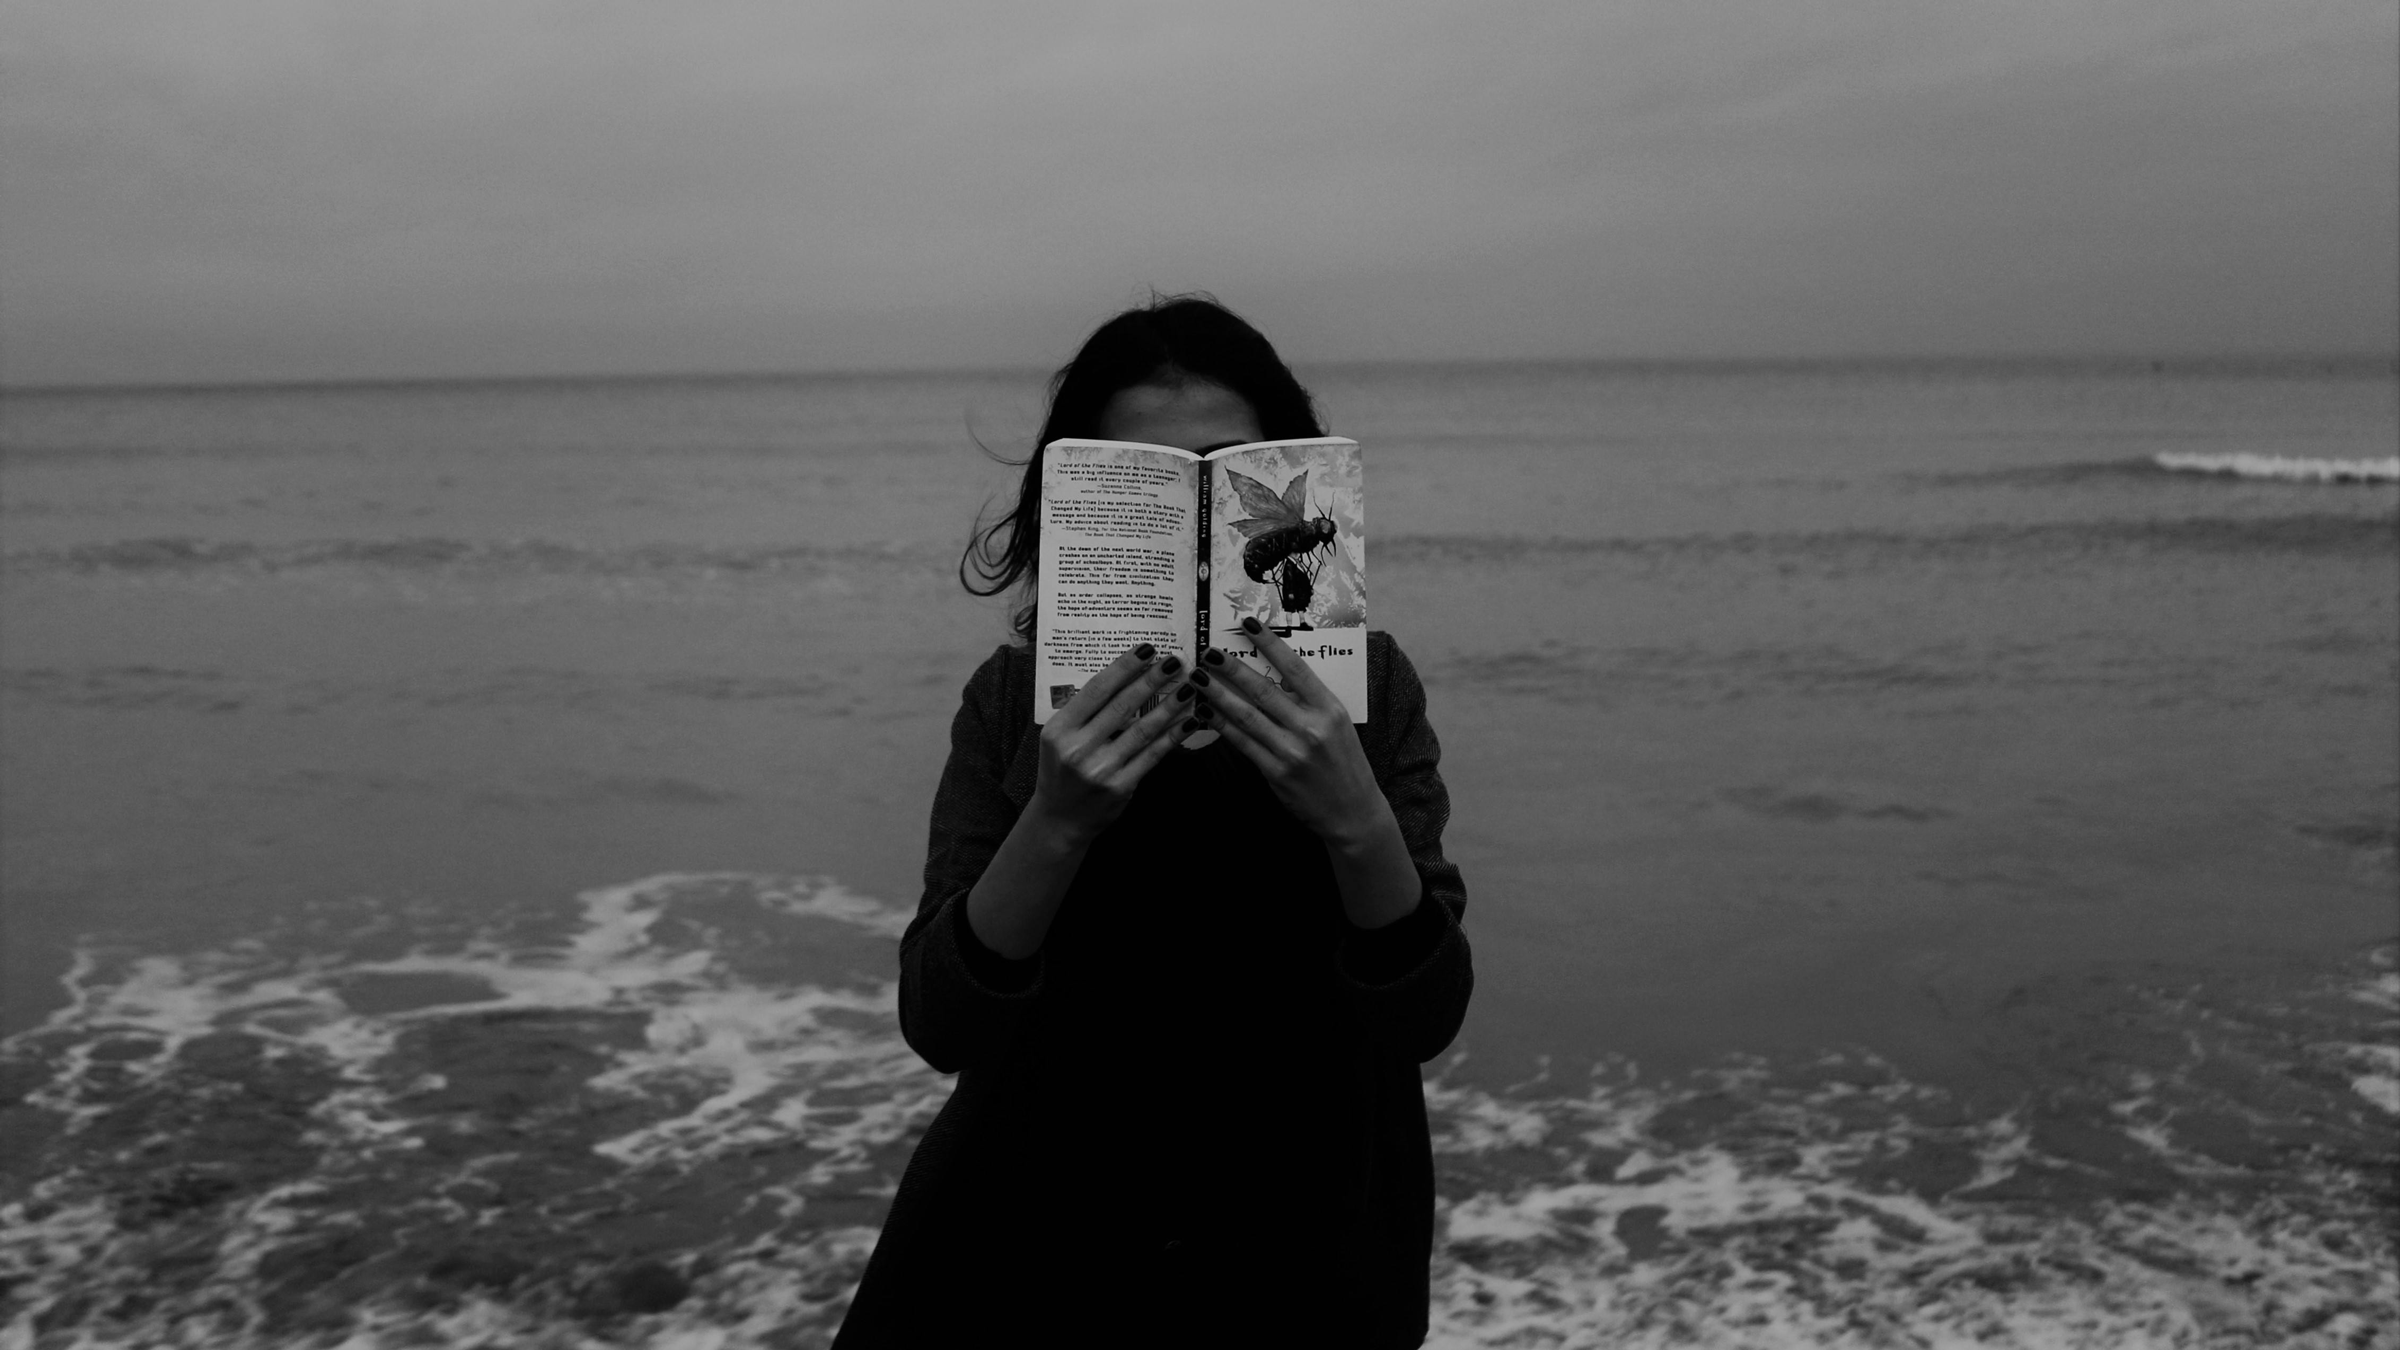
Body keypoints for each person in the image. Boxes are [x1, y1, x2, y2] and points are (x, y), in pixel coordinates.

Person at [832, 296, 1472, 1348]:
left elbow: (1426, 1020)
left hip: (1307, 1262)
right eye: (1144, 480)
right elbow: (941, 1025)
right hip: (1027, 1256)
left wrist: (1354, 820)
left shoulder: (1367, 693)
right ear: (1083, 499)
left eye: (1226, 470)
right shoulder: (1015, 699)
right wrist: (1057, 821)